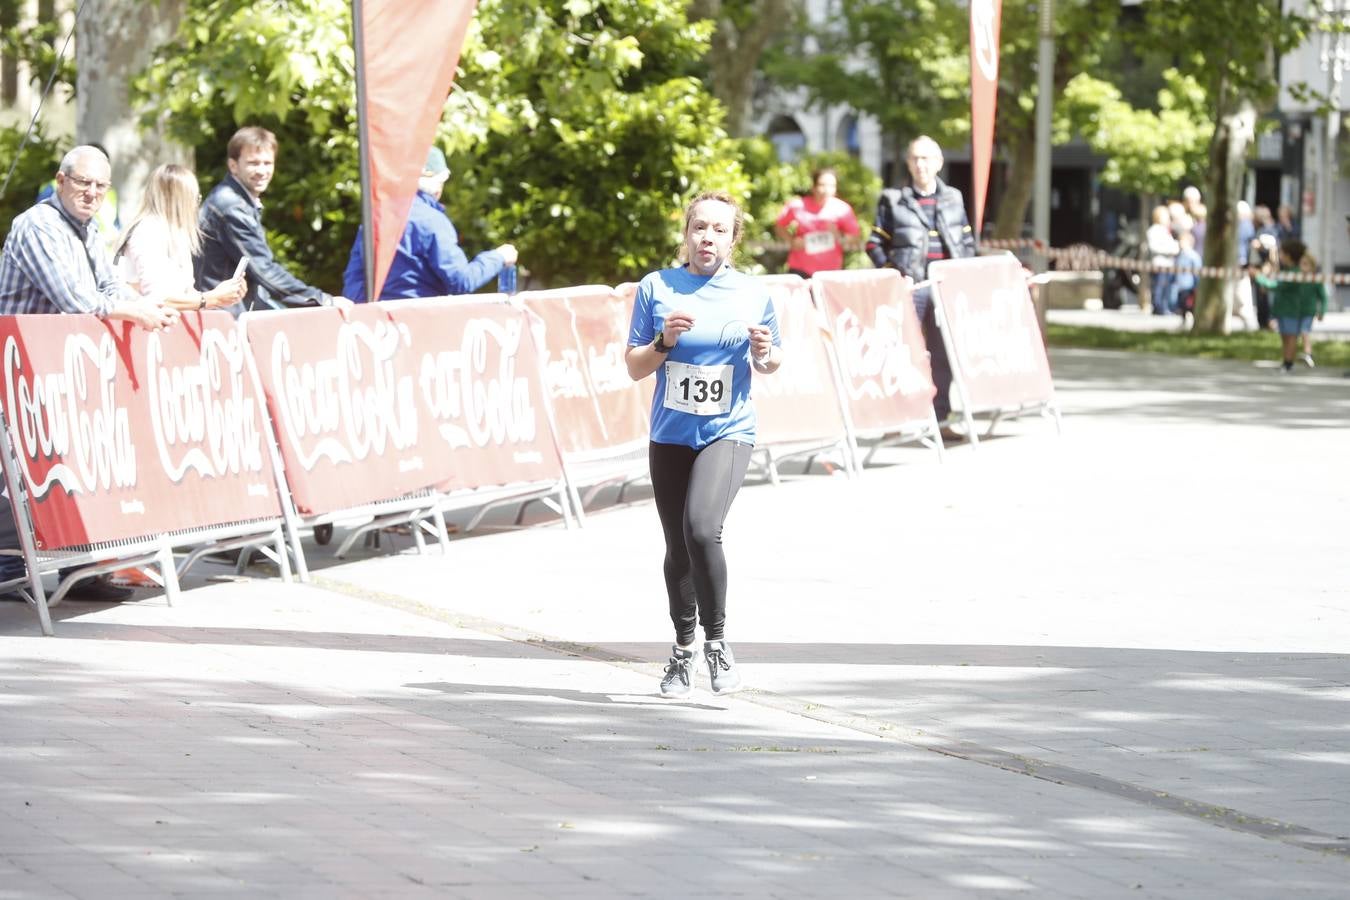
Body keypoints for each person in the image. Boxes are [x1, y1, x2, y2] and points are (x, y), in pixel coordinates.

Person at [0, 145, 179, 602]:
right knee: (20, 476)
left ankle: (81, 568)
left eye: (101, 186)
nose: (92, 193)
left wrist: (142, 303)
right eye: (83, 183)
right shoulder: (37, 225)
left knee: (70, 470)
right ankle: (14, 569)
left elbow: (109, 284)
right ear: (60, 181)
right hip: (18, 371)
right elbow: (75, 299)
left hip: (57, 373)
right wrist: (137, 313)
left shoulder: (88, 228)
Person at [624, 190, 782, 699]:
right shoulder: (657, 287)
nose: (707, 237)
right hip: (671, 434)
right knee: (677, 546)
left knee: (702, 528)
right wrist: (664, 341)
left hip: (727, 429)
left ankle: (717, 642)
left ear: (733, 239)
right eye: (700, 227)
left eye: (719, 229)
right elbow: (634, 366)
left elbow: (772, 360)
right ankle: (681, 650)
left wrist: (764, 352)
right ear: (686, 233)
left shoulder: (751, 294)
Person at [864, 136, 976, 437]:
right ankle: (898, 418)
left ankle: (940, 418)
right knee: (902, 354)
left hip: (945, 287)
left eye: (926, 158)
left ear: (939, 162)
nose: (920, 165)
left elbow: (966, 241)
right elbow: (874, 244)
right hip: (911, 290)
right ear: (908, 163)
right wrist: (894, 276)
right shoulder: (893, 199)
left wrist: (962, 273)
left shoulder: (954, 197)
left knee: (943, 353)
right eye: (915, 158)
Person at [196, 126, 347, 315]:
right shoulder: (232, 208)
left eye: (267, 163)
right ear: (233, 165)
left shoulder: (236, 199)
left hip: (225, 316)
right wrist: (322, 300)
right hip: (221, 321)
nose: (261, 170)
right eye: (253, 163)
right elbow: (264, 271)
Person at [341, 147, 517, 301]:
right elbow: (462, 281)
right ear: (438, 185)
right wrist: (499, 257)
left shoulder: (375, 220)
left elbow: (352, 285)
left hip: (375, 329)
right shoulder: (432, 222)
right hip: (421, 325)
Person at [116, 163, 247, 311]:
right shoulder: (148, 232)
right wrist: (211, 298)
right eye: (194, 198)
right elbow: (159, 298)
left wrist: (222, 296)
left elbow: (184, 294)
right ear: (178, 201)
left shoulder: (175, 234)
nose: (196, 205)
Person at [1252, 240, 1326, 372]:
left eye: (1282, 254)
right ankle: (1286, 361)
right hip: (1283, 309)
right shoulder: (1289, 270)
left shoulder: (1295, 273)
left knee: (1290, 337)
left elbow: (1277, 286)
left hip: (1291, 310)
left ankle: (1288, 363)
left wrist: (1259, 277)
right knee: (1285, 336)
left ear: (1289, 256)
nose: (1280, 256)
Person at [774, 167, 860, 278]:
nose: (826, 190)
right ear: (813, 187)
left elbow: (855, 238)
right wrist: (792, 241)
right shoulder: (797, 205)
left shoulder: (843, 209)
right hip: (799, 269)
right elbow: (779, 225)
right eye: (822, 185)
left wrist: (839, 237)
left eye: (831, 186)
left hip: (830, 272)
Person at [1145, 204, 1179, 315]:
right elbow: (1154, 247)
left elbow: (1174, 246)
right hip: (1159, 263)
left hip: (1168, 264)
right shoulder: (1153, 230)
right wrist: (1169, 250)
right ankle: (1158, 307)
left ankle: (1164, 307)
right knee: (1158, 287)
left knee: (1166, 288)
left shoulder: (1166, 230)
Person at [1173, 230, 1202, 325]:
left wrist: (1197, 285)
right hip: (1181, 285)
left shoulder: (1193, 256)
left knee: (1189, 305)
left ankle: (1195, 321)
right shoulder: (1180, 255)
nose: (1179, 243)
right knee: (1182, 305)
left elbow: (1197, 271)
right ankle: (1184, 321)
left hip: (1189, 286)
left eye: (1181, 241)